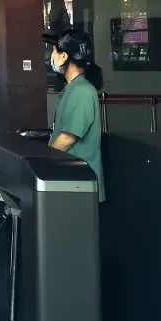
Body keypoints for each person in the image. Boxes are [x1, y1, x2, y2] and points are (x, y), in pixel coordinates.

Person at [47, 29, 105, 202]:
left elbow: (68, 138)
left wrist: (43, 162)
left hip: (79, 182)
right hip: (72, 179)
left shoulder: (82, 91)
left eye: (54, 51)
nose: (52, 56)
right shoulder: (73, 88)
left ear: (64, 56)